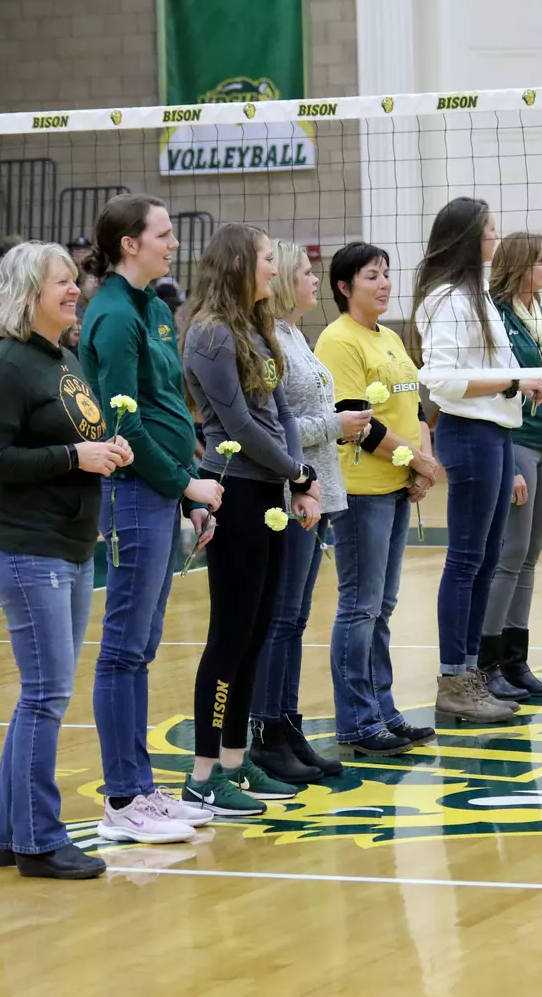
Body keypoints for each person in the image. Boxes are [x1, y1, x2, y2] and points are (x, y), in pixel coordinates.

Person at [0, 241, 192, 871]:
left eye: (75, 280)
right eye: (62, 283)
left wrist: (110, 451)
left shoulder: (63, 359)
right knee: (45, 695)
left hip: (68, 547)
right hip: (25, 548)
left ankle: (7, 833)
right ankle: (40, 841)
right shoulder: (6, 366)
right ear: (27, 294)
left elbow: (85, 438)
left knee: (40, 696)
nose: (75, 290)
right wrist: (76, 458)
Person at [78, 194, 224, 829]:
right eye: (162, 234)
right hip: (131, 491)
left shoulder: (156, 310)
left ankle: (139, 786)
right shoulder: (111, 316)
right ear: (128, 244)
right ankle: (121, 796)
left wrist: (190, 482)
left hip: (162, 488)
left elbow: (165, 406)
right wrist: (185, 487)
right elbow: (120, 428)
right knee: (123, 646)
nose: (173, 241)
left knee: (142, 646)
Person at [180, 223, 320, 811]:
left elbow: (280, 409)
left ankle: (236, 765)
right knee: (229, 635)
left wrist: (297, 480)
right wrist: (296, 473)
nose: (275, 267)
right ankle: (202, 772)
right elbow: (236, 425)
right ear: (240, 264)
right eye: (267, 258)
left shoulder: (254, 328)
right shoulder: (210, 335)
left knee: (258, 631)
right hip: (233, 488)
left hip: (271, 491)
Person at [410, 196, 542, 724]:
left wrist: (521, 383)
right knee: (467, 561)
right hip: (469, 434)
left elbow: (498, 367)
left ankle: (470, 675)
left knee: (485, 560)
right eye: (490, 228)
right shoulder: (446, 299)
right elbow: (439, 380)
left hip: (495, 432)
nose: (497, 234)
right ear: (469, 236)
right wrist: (514, 381)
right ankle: (453, 678)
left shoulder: (477, 294)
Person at [314, 242, 438, 756]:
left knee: (382, 607)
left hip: (395, 485)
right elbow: (357, 426)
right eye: (372, 276)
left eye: (387, 274)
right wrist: (417, 460)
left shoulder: (388, 335)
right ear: (344, 287)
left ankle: (383, 710)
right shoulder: (337, 341)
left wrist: (421, 465)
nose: (384, 283)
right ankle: (357, 722)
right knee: (360, 607)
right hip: (361, 489)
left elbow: (414, 405)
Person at [246, 239, 353, 781]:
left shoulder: (294, 335)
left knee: (295, 618)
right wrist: (340, 424)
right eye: (307, 272)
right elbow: (277, 428)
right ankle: (266, 733)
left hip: (320, 490)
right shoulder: (270, 343)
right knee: (281, 618)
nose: (316, 280)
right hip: (291, 493)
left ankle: (286, 724)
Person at [482, 231, 542, 700]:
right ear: (519, 265)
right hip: (519, 441)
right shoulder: (497, 316)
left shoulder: (541, 317)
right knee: (510, 555)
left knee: (532, 554)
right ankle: (489, 661)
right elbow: (501, 387)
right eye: (540, 262)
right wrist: (508, 462)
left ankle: (517, 661)